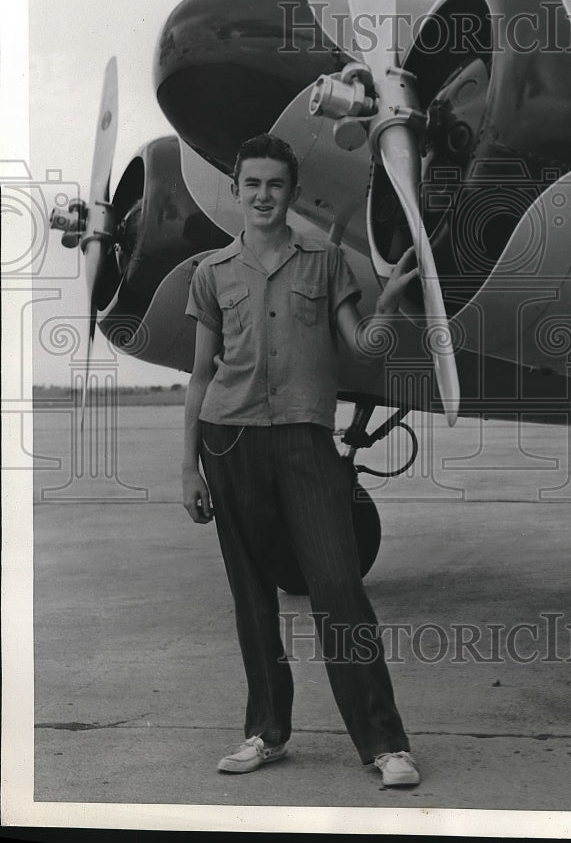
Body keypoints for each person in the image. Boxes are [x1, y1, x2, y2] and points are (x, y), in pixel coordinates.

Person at [182, 132, 420, 788]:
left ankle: (383, 744)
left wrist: (391, 306)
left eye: (275, 184)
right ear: (237, 188)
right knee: (252, 598)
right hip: (228, 442)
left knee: (339, 589)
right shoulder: (212, 273)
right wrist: (187, 468)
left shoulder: (325, 263)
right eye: (251, 183)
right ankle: (265, 732)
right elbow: (201, 378)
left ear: (290, 192)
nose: (262, 195)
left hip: (304, 441)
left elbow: (363, 348)